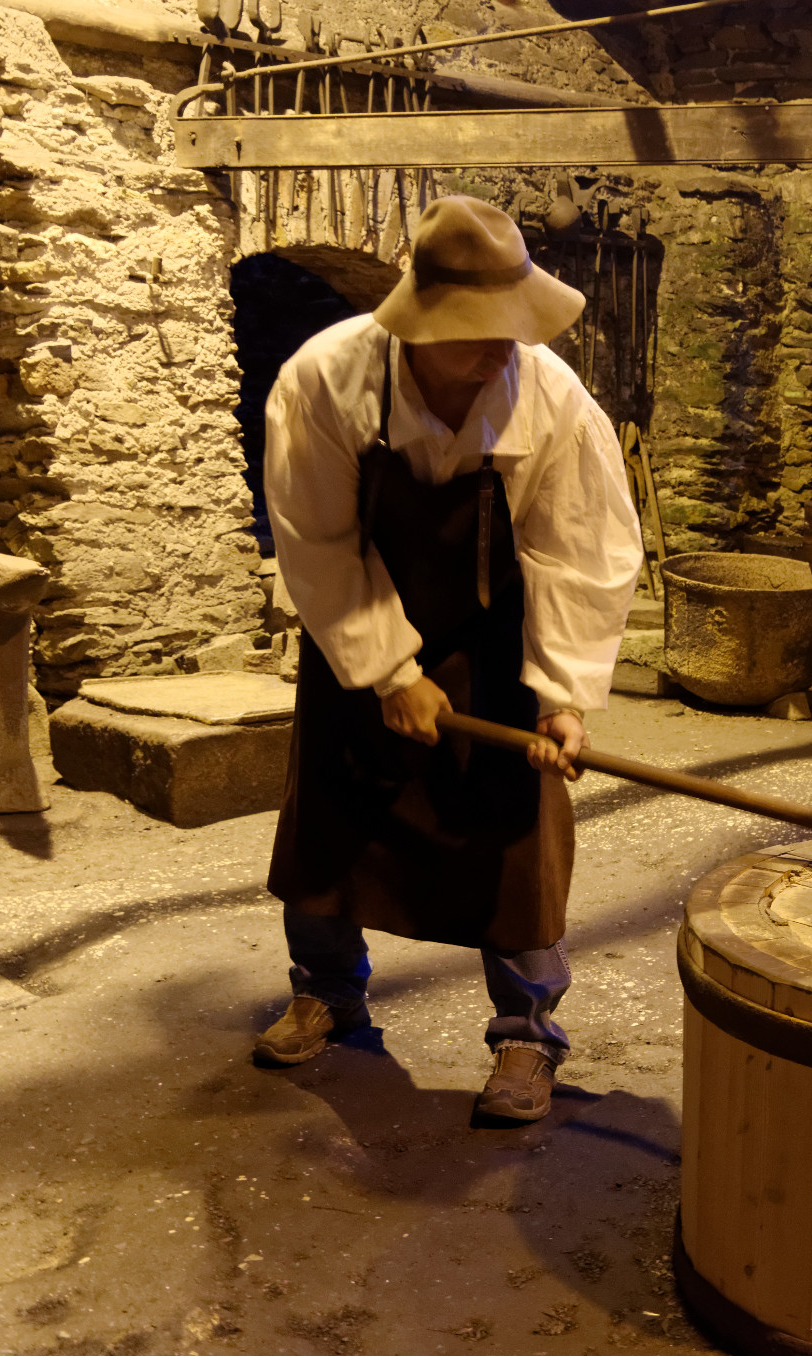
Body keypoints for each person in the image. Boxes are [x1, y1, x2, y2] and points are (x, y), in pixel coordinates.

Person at [252, 195, 644, 1125]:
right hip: (360, 625)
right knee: (332, 823)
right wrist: (390, 671)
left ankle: (527, 1032)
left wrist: (563, 695)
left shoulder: (550, 398)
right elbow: (318, 541)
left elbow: (580, 552)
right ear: (419, 327)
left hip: (497, 636)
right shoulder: (324, 383)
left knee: (515, 843)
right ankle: (327, 989)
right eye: (479, 332)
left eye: (514, 326)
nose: (504, 349)